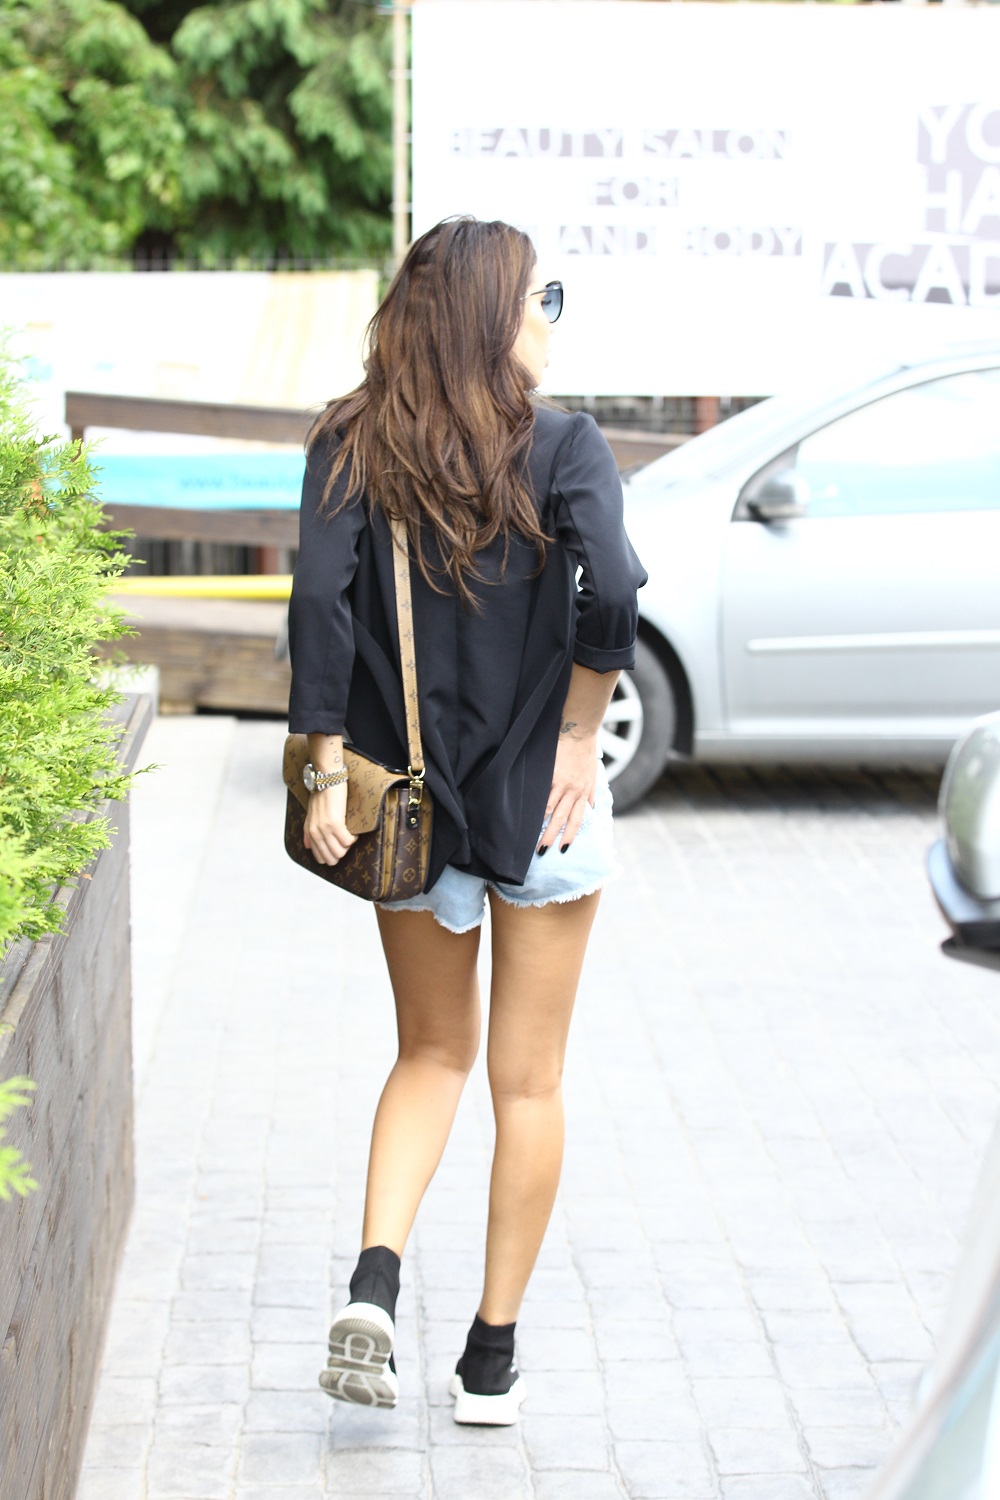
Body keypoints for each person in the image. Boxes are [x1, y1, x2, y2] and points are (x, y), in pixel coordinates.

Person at [286, 216, 646, 1426]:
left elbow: (320, 608)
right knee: (526, 1084)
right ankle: (490, 1361)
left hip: (413, 812)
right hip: (543, 807)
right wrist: (575, 736)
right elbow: (615, 590)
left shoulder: (352, 441)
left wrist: (322, 768)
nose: (551, 316)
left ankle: (374, 1287)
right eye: (542, 295)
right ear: (493, 315)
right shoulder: (564, 445)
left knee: (428, 1055)